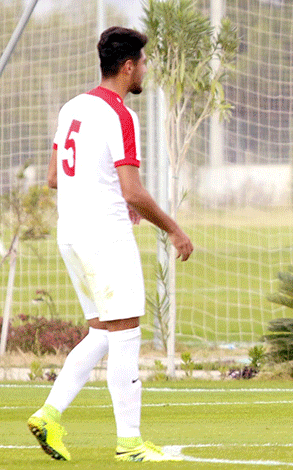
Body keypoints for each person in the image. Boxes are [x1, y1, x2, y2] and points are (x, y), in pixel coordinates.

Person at [27, 26, 193, 462]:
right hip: (105, 236)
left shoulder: (72, 108)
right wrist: (174, 229)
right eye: (143, 63)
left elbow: (52, 178)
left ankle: (49, 414)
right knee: (125, 335)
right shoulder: (121, 114)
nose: (145, 70)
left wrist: (108, 195)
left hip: (73, 235)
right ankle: (131, 444)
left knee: (102, 332)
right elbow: (134, 190)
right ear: (127, 67)